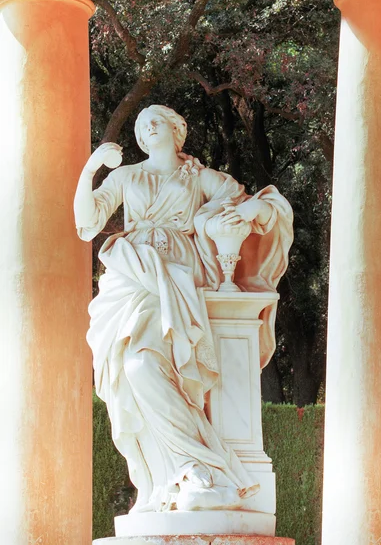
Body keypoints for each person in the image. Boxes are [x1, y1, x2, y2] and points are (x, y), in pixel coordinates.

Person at [74, 105, 293, 513]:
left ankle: (197, 468)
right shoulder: (125, 176)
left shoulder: (198, 176)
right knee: (130, 369)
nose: (147, 127)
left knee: (143, 365)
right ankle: (178, 473)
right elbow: (86, 222)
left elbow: (249, 204)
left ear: (178, 130)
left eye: (156, 119)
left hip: (175, 273)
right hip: (130, 272)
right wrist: (90, 172)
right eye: (141, 125)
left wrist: (248, 211)